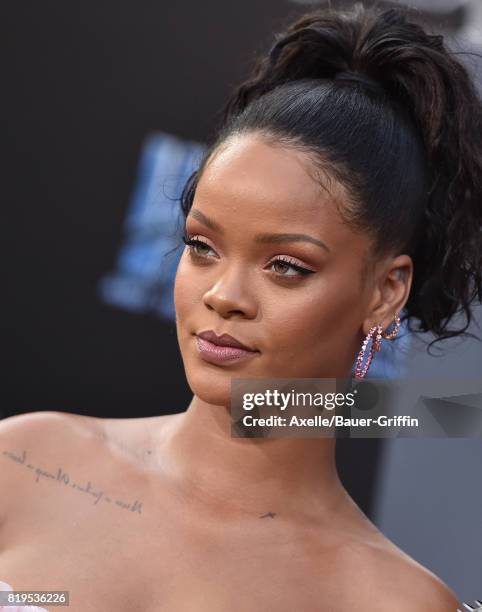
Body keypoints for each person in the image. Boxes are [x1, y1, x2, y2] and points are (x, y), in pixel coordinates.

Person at [1, 3, 481, 610]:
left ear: (385, 292)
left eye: (286, 266)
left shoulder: (391, 601)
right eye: (202, 246)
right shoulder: (23, 460)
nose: (223, 295)